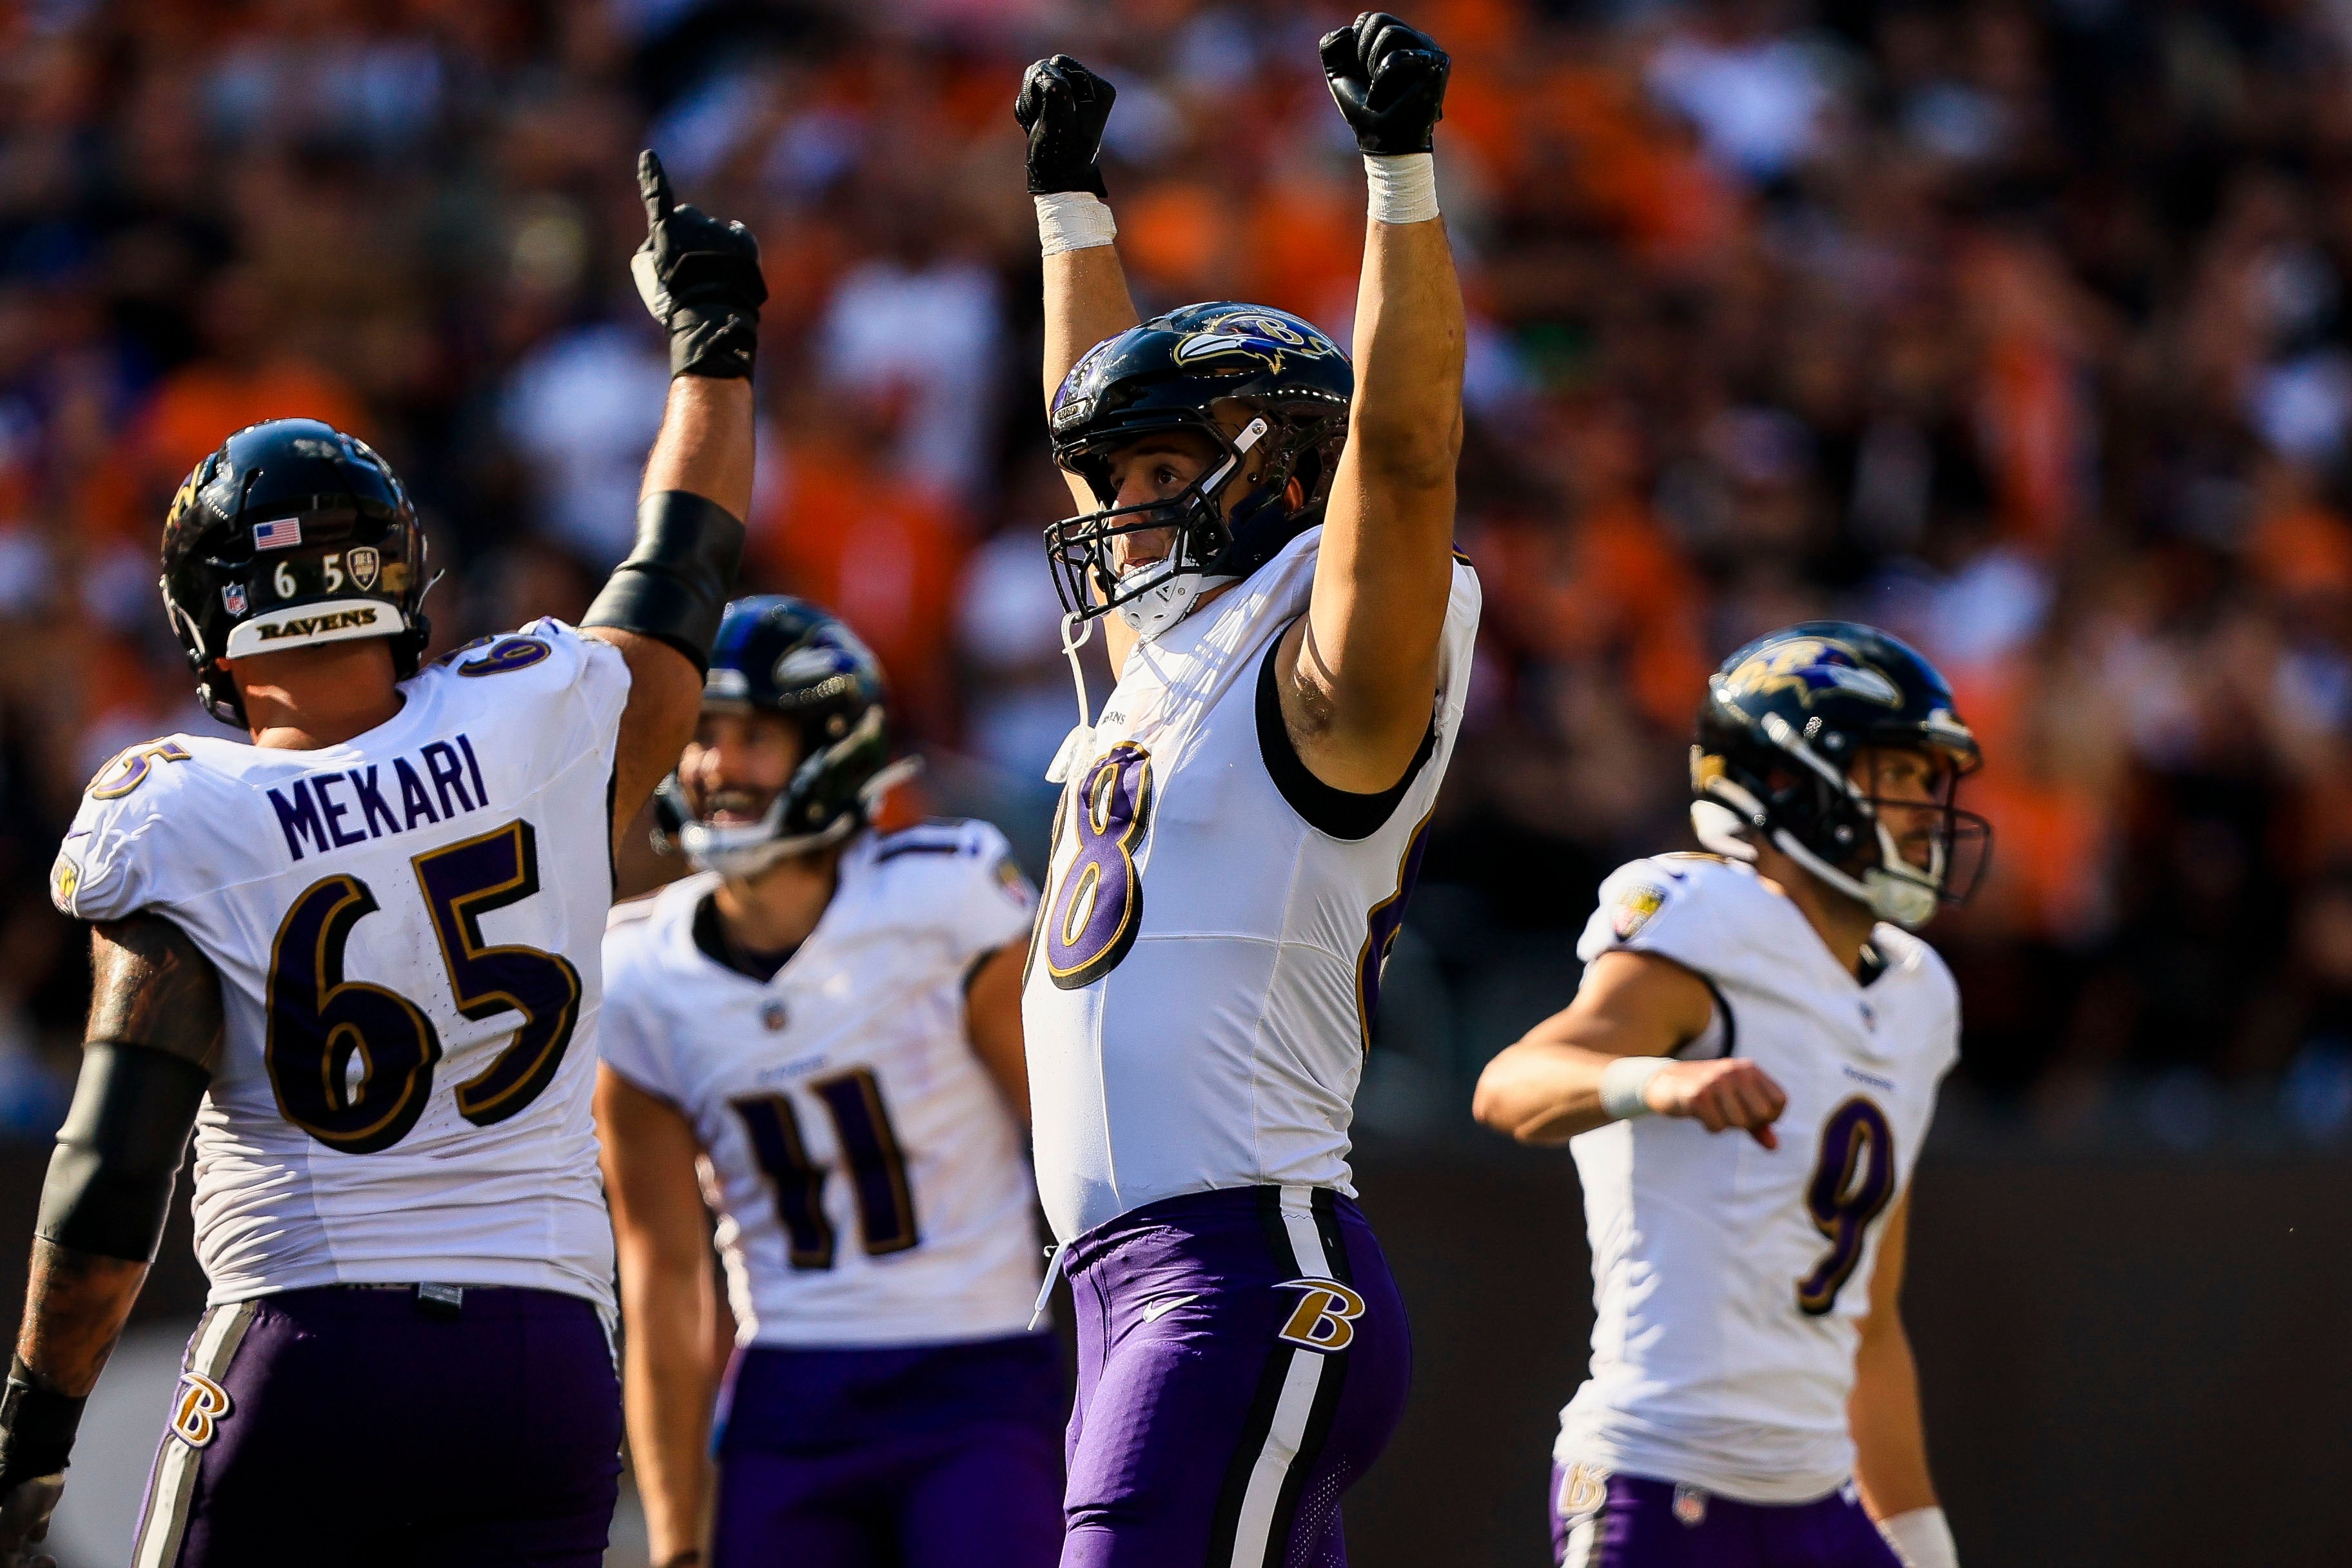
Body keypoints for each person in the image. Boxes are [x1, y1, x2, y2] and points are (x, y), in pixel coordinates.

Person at [0, 152, 765, 1568]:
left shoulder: (177, 808)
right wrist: (714, 346)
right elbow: (683, 564)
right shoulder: (535, 709)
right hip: (540, 1366)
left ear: (201, 620)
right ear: (399, 573)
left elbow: (113, 1171)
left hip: (310, 1341)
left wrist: (31, 1434)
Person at [1010, 14, 1478, 1563]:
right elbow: (1092, 408)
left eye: (1163, 478)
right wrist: (1072, 208)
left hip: (1240, 1272)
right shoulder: (1170, 659)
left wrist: (1399, 177)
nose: (1116, 511)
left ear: (1280, 469)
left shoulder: (1325, 663)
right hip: (1128, 1286)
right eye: (1119, 482)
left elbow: (1405, 461)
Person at [1472, 623, 1983, 1568]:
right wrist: (1659, 1081)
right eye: (1900, 775)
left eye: (1930, 782)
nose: (1926, 810)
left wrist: (1922, 1545)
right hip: (1659, 1483)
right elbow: (1510, 1086)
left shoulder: (1918, 994)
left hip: (1820, 1500)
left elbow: (1867, 1324)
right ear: (1789, 781)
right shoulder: (1706, 919)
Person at [596, 595, 1061, 1568]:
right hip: (787, 1395)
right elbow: (665, 1283)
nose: (717, 768)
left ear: (833, 745)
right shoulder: (641, 971)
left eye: (753, 736)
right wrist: (677, 1538)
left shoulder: (944, 894)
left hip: (975, 1373)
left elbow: (1071, 1144)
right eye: (700, 738)